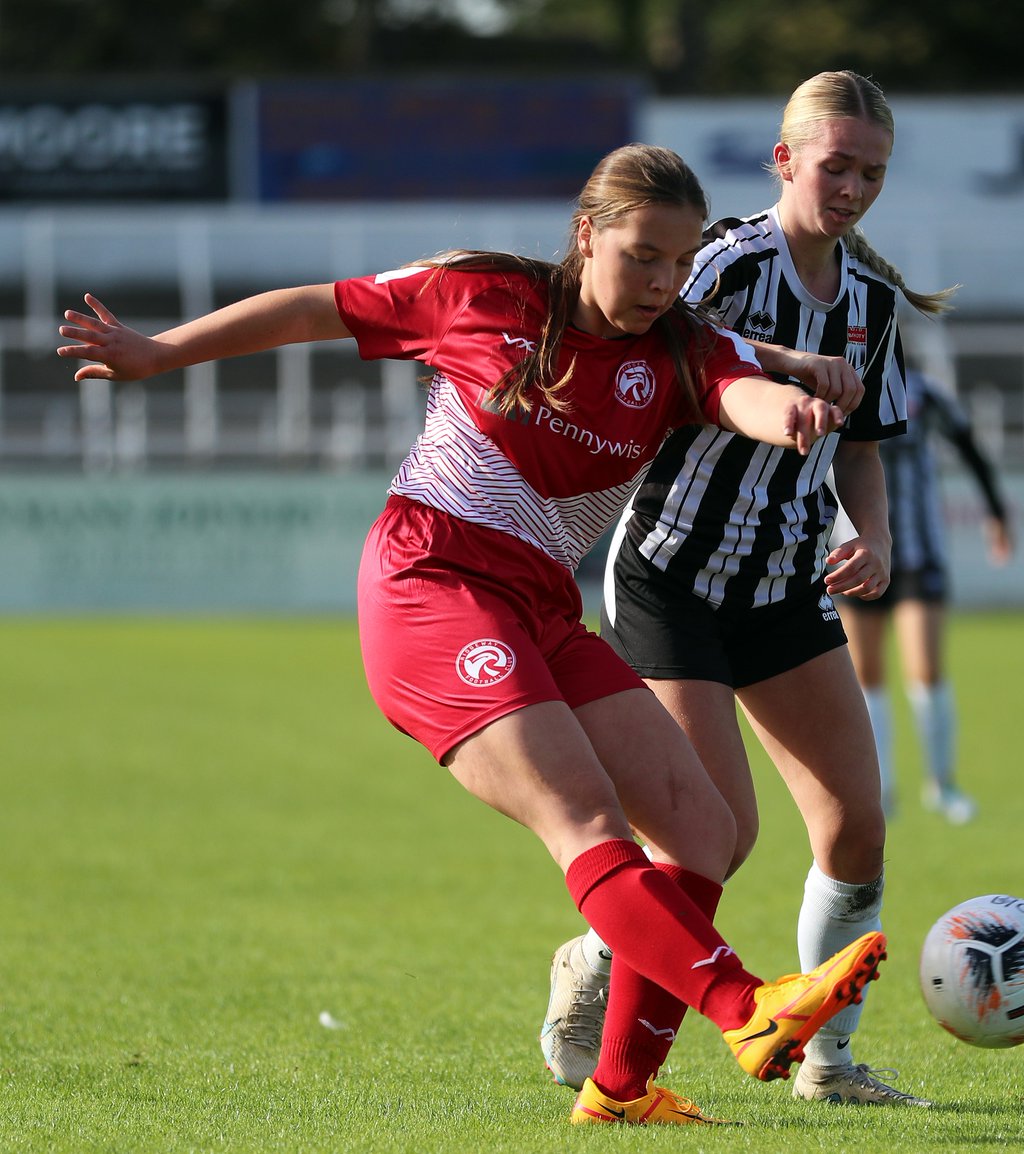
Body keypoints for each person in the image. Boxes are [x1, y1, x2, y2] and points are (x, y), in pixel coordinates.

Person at [56, 144, 889, 1128]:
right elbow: (314, 308)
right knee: (584, 818)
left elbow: (741, 390)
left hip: (541, 607)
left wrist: (791, 411)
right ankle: (744, 1007)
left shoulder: (678, 347)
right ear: (587, 235)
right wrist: (161, 353)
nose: (662, 282)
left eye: (677, 262)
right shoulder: (482, 295)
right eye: (641, 255)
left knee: (702, 828)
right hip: (431, 584)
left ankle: (620, 1091)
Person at [540, 73, 956, 1108]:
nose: (852, 188)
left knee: (856, 827)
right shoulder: (722, 264)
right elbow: (644, 352)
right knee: (714, 834)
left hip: (784, 585)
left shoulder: (871, 305)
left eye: (872, 173)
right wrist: (771, 376)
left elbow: (865, 449)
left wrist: (874, 536)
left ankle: (831, 1063)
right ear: (784, 161)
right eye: (835, 166)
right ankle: (599, 955)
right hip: (672, 577)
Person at [838, 368, 1013, 823]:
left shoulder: (926, 393)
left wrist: (996, 513)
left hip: (918, 553)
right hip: (855, 551)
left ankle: (943, 785)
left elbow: (969, 446)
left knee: (926, 669)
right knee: (866, 675)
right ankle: (881, 789)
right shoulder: (839, 383)